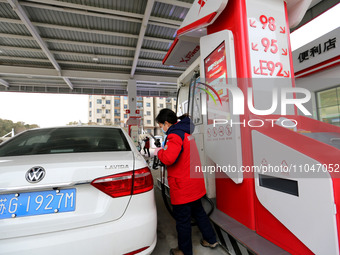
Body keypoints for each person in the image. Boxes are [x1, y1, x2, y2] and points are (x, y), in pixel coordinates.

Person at [154, 109, 218, 255]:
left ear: (166, 123)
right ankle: (211, 239)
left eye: (161, 125)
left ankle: (184, 251)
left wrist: (159, 152)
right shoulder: (186, 133)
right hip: (194, 184)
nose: (162, 128)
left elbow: (169, 158)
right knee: (199, 213)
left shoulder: (174, 136)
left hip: (182, 186)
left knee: (182, 221)